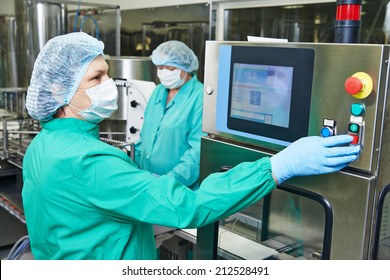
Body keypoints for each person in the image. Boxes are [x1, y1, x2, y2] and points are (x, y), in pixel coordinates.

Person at [21, 32, 360, 260]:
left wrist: (135, 227)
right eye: (96, 78)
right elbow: (190, 206)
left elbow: (71, 222)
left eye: (107, 75)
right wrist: (276, 166)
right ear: (56, 91)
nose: (108, 86)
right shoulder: (90, 161)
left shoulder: (43, 145)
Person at [134, 40, 204, 189]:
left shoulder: (200, 98)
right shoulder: (159, 91)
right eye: (160, 68)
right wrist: (135, 171)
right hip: (147, 183)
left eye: (170, 68)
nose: (164, 73)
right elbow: (144, 137)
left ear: (185, 67)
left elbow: (197, 154)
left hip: (179, 189)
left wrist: (166, 184)